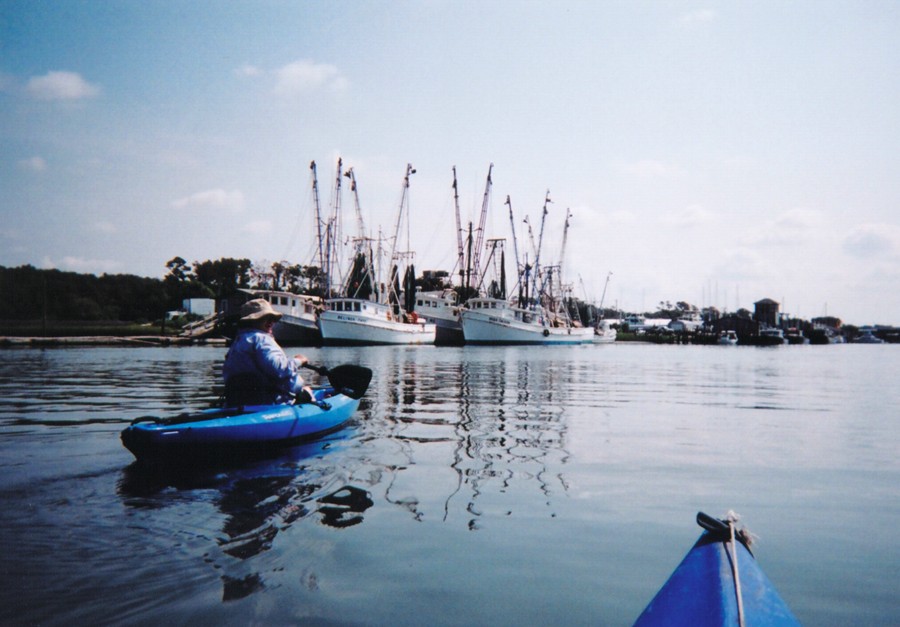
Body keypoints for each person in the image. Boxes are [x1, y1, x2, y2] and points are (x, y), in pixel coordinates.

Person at [223, 298, 314, 405]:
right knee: (308, 391)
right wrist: (299, 361)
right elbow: (278, 369)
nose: (271, 321)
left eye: (272, 318)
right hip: (271, 401)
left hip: (242, 401)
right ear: (252, 320)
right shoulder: (261, 339)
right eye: (265, 318)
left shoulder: (238, 341)